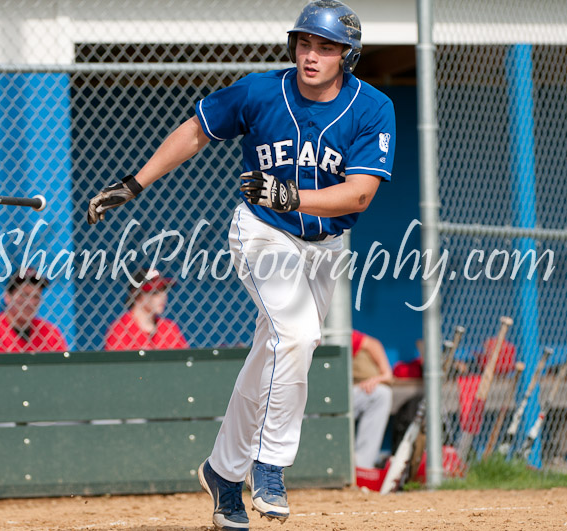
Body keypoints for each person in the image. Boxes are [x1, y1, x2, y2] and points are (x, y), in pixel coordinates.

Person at [86, 1, 395, 528]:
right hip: (262, 234)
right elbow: (196, 131)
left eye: (326, 47)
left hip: (324, 248)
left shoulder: (372, 108)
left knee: (269, 357)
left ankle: (224, 472)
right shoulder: (258, 90)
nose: (311, 55)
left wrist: (292, 194)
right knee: (296, 335)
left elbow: (359, 196)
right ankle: (270, 465)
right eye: (304, 43)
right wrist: (136, 181)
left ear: (348, 56)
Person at [0, 268, 68, 353]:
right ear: (7, 297)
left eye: (36, 297)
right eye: (23, 295)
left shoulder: (49, 332)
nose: (30, 303)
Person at [105, 268, 189, 351]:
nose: (163, 296)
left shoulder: (169, 328)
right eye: (155, 292)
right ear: (136, 293)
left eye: (164, 290)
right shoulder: (121, 328)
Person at [351, 329, 393, 468]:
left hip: (349, 393)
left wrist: (380, 377)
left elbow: (388, 375)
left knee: (381, 394)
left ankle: (361, 467)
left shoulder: (362, 340)